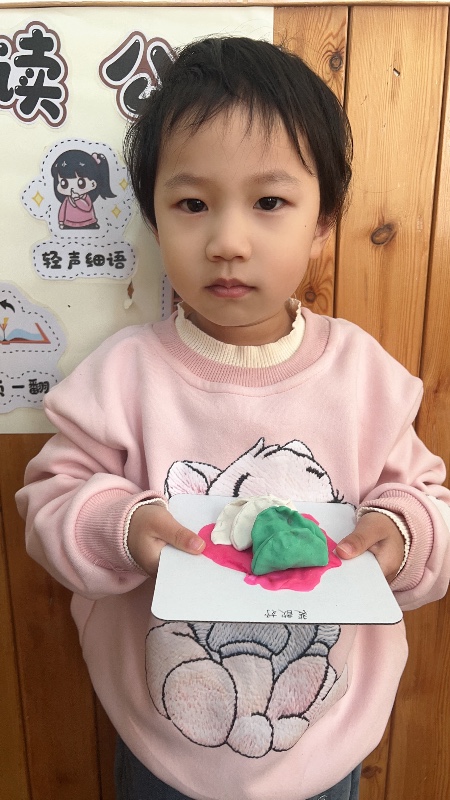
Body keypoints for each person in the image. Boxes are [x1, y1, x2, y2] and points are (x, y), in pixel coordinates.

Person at [16, 37, 450, 800]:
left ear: (324, 220)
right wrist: (121, 523)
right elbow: (50, 503)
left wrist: (402, 531)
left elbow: (428, 508)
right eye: (191, 205)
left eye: (270, 203)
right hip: (161, 747)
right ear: (154, 217)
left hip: (325, 746)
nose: (227, 243)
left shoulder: (364, 377)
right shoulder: (121, 377)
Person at [51, 149, 116, 229]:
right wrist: (61, 221)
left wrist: (77, 199)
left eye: (81, 183)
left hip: (88, 223)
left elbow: (87, 207)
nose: (72, 188)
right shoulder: (67, 200)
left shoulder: (86, 197)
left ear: (93, 183)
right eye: (64, 183)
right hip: (69, 224)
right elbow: (62, 210)